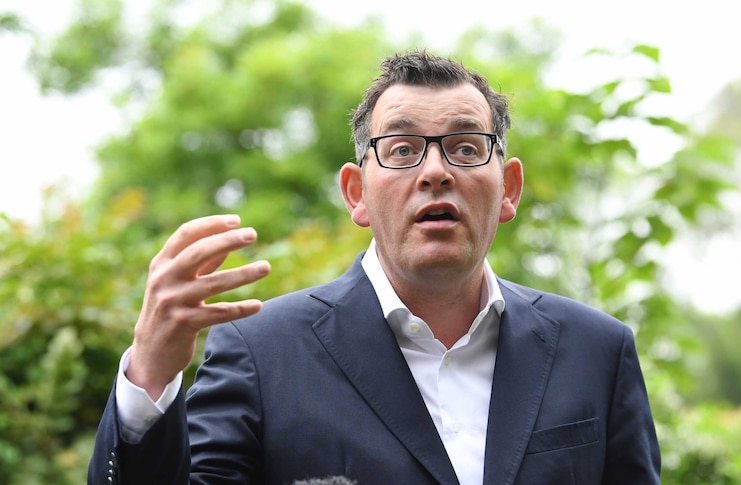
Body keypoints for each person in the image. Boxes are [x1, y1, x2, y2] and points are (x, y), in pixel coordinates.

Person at [88, 50, 661, 485]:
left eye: (465, 148)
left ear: (508, 189)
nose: (435, 171)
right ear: (357, 194)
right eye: (403, 148)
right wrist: (150, 380)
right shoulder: (260, 354)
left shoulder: (597, 352)